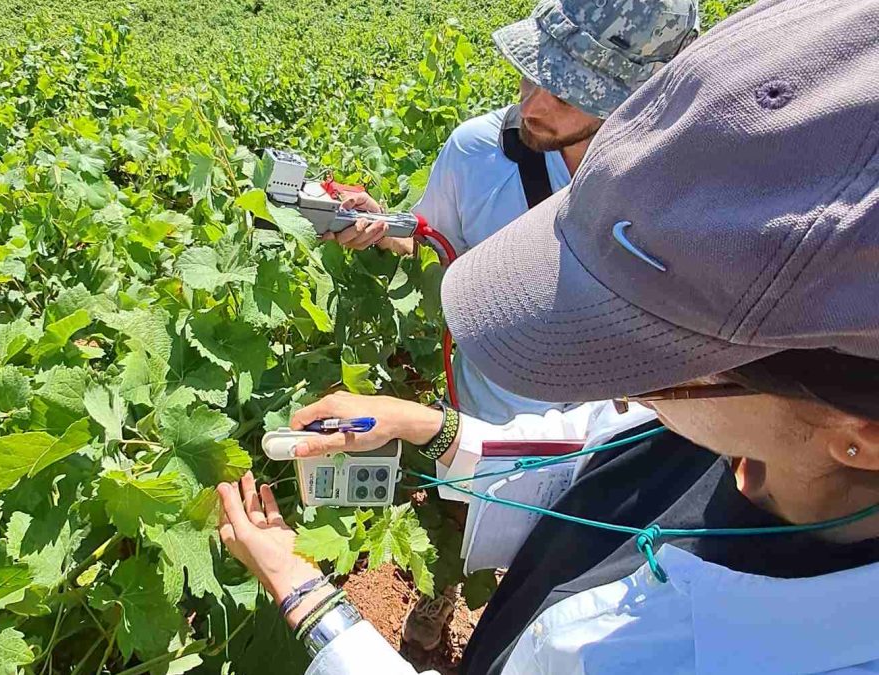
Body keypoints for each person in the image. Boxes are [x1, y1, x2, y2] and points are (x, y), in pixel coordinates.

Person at [216, 0, 879, 672]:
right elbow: (593, 464)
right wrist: (432, 430)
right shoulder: (723, 444)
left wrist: (308, 601)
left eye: (664, 350)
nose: (625, 383)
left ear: (862, 432)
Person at [330, 0, 700, 425]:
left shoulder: (681, 180)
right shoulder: (477, 154)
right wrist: (383, 226)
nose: (531, 107)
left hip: (616, 448)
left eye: (565, 94)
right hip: (488, 441)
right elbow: (433, 245)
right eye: (533, 72)